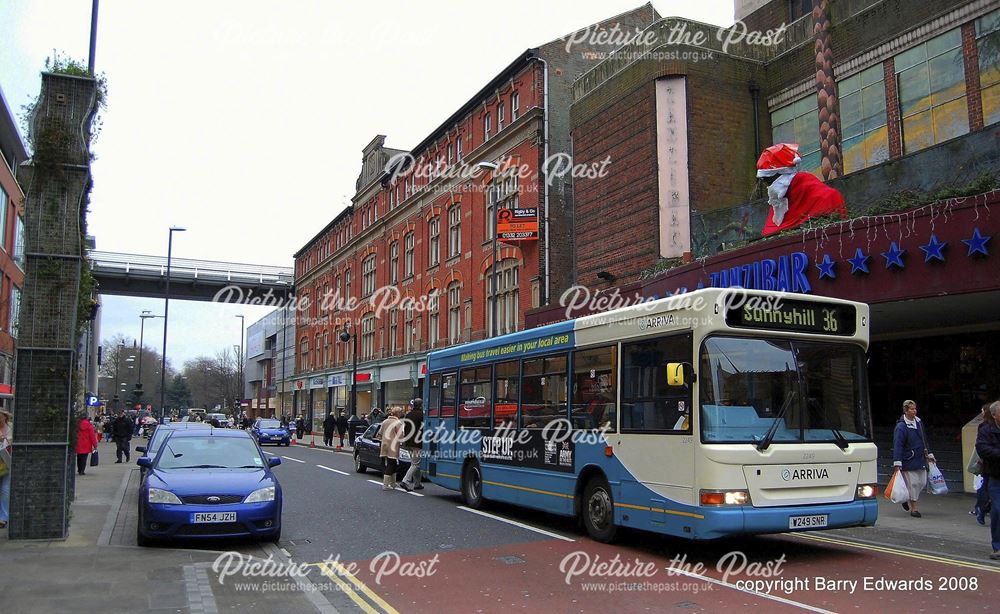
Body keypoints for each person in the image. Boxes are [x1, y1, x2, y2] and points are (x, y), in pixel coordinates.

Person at [892, 399, 935, 518]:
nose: (914, 411)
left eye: (915, 409)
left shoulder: (919, 423)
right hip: (908, 459)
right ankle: (914, 509)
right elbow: (898, 444)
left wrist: (930, 454)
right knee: (913, 484)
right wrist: (897, 462)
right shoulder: (901, 426)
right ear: (905, 410)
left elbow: (924, 439)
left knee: (922, 482)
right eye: (911, 409)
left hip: (920, 458)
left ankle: (906, 497)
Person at [976, 401, 1000, 560]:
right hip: (995, 476)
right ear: (994, 415)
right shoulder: (986, 430)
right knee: (998, 510)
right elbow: (982, 449)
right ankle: (997, 547)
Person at [970, 404, 994, 525]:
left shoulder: (984, 426)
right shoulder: (985, 428)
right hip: (989, 464)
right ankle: (982, 509)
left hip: (988, 463)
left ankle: (982, 508)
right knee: (987, 487)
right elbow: (982, 447)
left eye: (982, 411)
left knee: (986, 487)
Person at [400, 399, 424, 492]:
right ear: (421, 405)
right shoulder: (422, 415)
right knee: (415, 464)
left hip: (408, 443)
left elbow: (405, 428)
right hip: (417, 443)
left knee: (414, 463)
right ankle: (405, 481)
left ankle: (417, 483)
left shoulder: (408, 414)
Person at [377, 408, 404, 491]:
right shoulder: (397, 422)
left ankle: (393, 483)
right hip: (393, 445)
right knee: (391, 464)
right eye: (400, 412)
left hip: (385, 444)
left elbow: (380, 433)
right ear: (398, 413)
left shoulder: (385, 422)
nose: (401, 414)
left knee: (392, 463)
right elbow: (400, 435)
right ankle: (386, 484)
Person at [0, 409, 13, 529]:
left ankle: (3, 517)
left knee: (4, 490)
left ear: (5, 417)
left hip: (6, 462)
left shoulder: (11, 428)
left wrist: (7, 441)